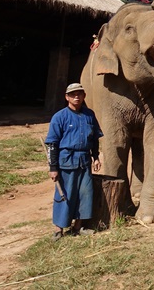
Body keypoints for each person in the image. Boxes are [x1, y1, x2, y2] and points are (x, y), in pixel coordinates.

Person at [45, 83, 103, 240]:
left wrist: (95, 156)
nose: (76, 96)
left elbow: (95, 138)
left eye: (79, 93)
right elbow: (52, 144)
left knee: (85, 194)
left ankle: (78, 227)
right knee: (65, 194)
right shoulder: (60, 117)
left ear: (84, 96)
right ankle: (59, 228)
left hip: (84, 161)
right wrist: (53, 167)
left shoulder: (89, 115)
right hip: (66, 161)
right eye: (72, 94)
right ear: (67, 97)